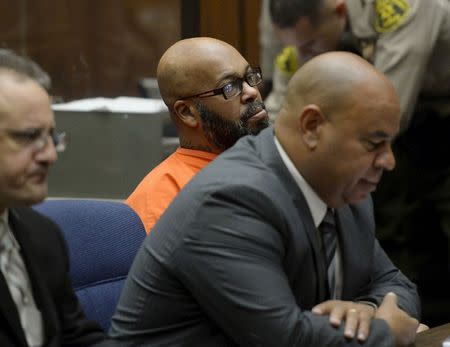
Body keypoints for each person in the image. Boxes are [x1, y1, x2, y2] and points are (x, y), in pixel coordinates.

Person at [109, 52, 423, 346]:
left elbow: (397, 286)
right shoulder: (230, 200)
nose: (388, 161)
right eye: (374, 143)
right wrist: (385, 333)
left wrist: (366, 309)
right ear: (312, 127)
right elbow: (284, 338)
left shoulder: (341, 185)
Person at [266, 0, 450, 325]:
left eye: (310, 44)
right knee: (399, 233)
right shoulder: (305, 34)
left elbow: (388, 108)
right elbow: (280, 111)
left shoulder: (403, 6)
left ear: (339, 11)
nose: (304, 54)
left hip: (425, 114)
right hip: (408, 126)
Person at [0, 49, 106, 346]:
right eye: (28, 136)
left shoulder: (41, 235)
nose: (49, 155)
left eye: (51, 137)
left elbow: (77, 337)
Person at [126, 37, 269, 233]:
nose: (251, 92)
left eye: (250, 77)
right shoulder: (164, 196)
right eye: (230, 87)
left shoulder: (272, 163)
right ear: (187, 112)